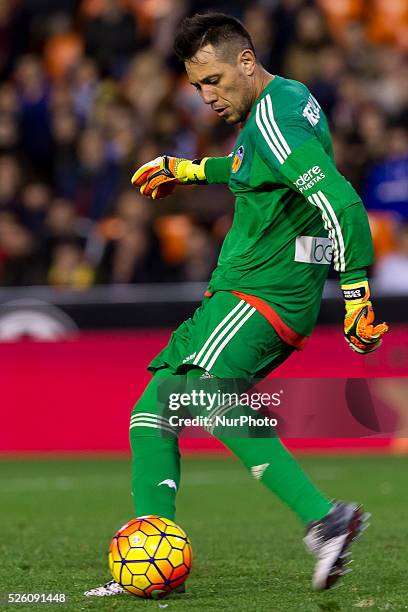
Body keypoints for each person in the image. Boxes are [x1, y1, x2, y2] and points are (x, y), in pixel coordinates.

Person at [85, 13, 388, 597]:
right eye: (198, 86)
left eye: (216, 80)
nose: (207, 97)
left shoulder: (272, 116)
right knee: (151, 416)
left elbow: (341, 200)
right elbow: (256, 168)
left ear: (247, 61)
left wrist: (355, 294)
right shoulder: (283, 108)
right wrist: (192, 169)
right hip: (253, 289)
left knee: (202, 394)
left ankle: (325, 518)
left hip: (263, 290)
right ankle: (153, 550)